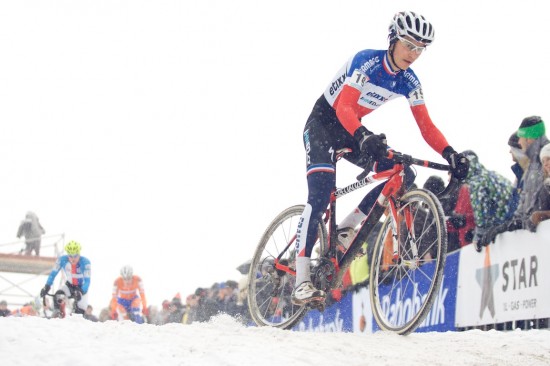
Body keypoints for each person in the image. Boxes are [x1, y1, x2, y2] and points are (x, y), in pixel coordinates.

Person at [291, 11, 469, 305]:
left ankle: (347, 229)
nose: (414, 53)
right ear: (393, 40)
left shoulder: (409, 81)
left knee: (403, 173)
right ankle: (300, 280)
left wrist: (450, 153)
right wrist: (363, 136)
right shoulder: (367, 62)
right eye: (409, 44)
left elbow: (426, 126)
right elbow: (345, 107)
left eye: (420, 48)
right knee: (320, 195)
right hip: (324, 124)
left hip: (353, 129)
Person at [481, 116, 549, 245]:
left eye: (521, 138)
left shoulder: (545, 160)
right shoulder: (532, 167)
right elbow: (524, 206)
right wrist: (510, 224)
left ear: (529, 139)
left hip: (544, 238)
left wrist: (542, 216)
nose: (520, 142)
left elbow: (537, 203)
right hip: (535, 242)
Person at [39, 241, 91, 315]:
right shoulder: (62, 260)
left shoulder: (85, 262)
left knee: (79, 313)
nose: (73, 259)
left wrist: (81, 291)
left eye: (75, 256)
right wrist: (47, 286)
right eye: (70, 256)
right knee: (58, 296)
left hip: (81, 288)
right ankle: (57, 314)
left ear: (79, 254)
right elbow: (53, 274)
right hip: (69, 286)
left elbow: (87, 281)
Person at [528, 144, 550, 228]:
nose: (545, 164)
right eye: (543, 161)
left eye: (548, 159)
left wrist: (545, 214)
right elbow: (533, 214)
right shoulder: (545, 187)